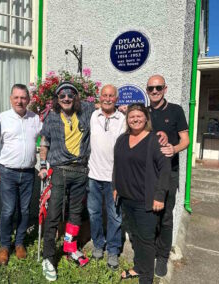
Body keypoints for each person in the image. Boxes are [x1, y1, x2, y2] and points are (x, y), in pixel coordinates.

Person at [38, 81, 95, 281]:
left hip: (81, 170)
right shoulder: (51, 116)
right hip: (60, 170)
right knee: (54, 213)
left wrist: (123, 108)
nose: (67, 99)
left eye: (71, 95)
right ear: (57, 99)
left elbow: (106, 104)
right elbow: (44, 141)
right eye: (62, 96)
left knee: (76, 212)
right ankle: (48, 256)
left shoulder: (87, 110)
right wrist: (43, 166)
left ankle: (70, 247)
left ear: (76, 97)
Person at [114, 104, 170, 284]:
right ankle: (138, 267)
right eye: (132, 116)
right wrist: (115, 187)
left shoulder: (155, 140)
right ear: (127, 119)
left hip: (146, 201)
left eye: (139, 116)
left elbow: (165, 169)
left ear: (146, 119)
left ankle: (146, 279)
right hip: (127, 200)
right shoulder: (122, 139)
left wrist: (159, 196)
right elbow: (117, 165)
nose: (135, 119)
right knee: (135, 237)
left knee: (146, 241)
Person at [0, 84, 42, 265]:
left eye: (23, 97)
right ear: (11, 99)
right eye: (16, 97)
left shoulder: (35, 119)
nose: (20, 101)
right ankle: (4, 246)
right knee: (9, 210)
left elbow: (48, 137)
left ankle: (19, 243)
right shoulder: (1, 118)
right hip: (7, 172)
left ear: (29, 99)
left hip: (28, 173)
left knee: (24, 211)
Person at [146, 75, 189, 277]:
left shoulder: (175, 110)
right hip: (148, 173)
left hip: (168, 172)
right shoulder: (144, 113)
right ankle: (150, 249)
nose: (154, 91)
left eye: (158, 87)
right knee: (149, 212)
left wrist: (175, 148)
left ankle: (162, 256)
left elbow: (185, 140)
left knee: (165, 216)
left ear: (165, 88)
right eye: (151, 88)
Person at [87, 84, 124, 270]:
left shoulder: (123, 119)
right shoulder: (93, 115)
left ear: (117, 99)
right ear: (99, 98)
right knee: (94, 213)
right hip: (93, 175)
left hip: (115, 178)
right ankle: (98, 245)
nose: (108, 98)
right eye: (104, 95)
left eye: (111, 96)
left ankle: (114, 250)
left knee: (115, 215)